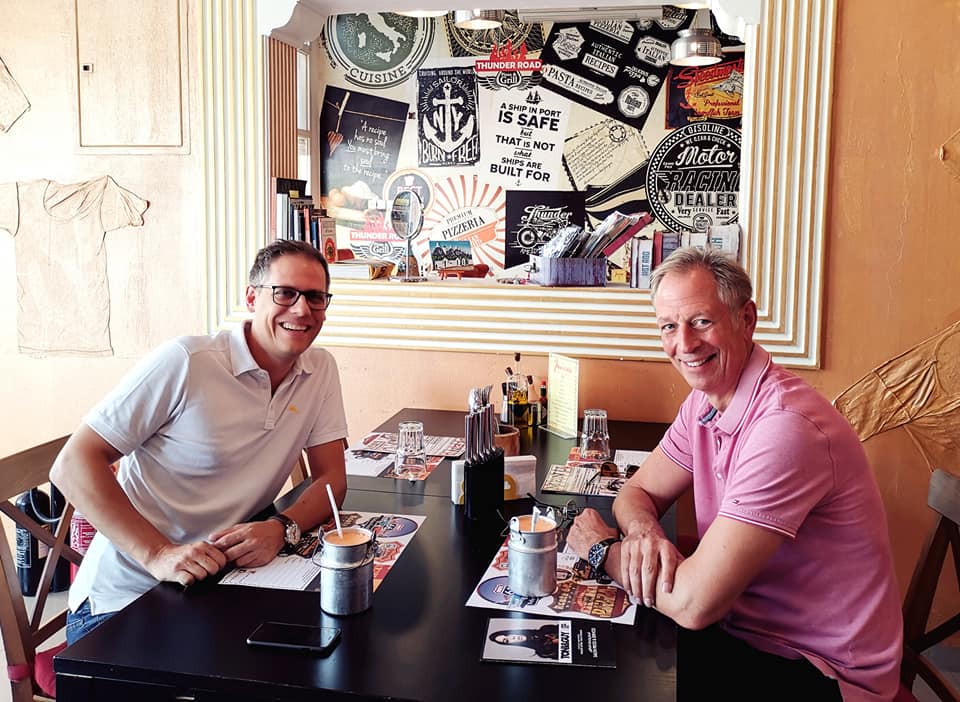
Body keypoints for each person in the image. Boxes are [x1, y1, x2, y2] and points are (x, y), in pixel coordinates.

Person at [567, 247, 902, 701]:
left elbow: (693, 605)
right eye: (669, 326)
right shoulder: (704, 402)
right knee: (614, 659)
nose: (685, 344)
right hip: (745, 629)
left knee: (614, 677)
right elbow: (638, 490)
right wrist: (643, 533)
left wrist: (601, 549)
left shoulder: (785, 428)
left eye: (701, 321)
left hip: (822, 671)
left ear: (746, 319)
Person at [51, 240, 348, 644]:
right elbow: (72, 464)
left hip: (222, 586)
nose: (301, 310)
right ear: (251, 297)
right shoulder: (187, 361)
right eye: (284, 293)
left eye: (315, 297)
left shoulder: (320, 369)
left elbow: (331, 479)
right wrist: (158, 554)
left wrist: (281, 527)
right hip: (127, 601)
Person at [489, 624, 560, 659]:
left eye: (507, 634)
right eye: (506, 640)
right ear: (510, 643)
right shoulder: (543, 652)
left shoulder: (545, 629)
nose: (512, 637)